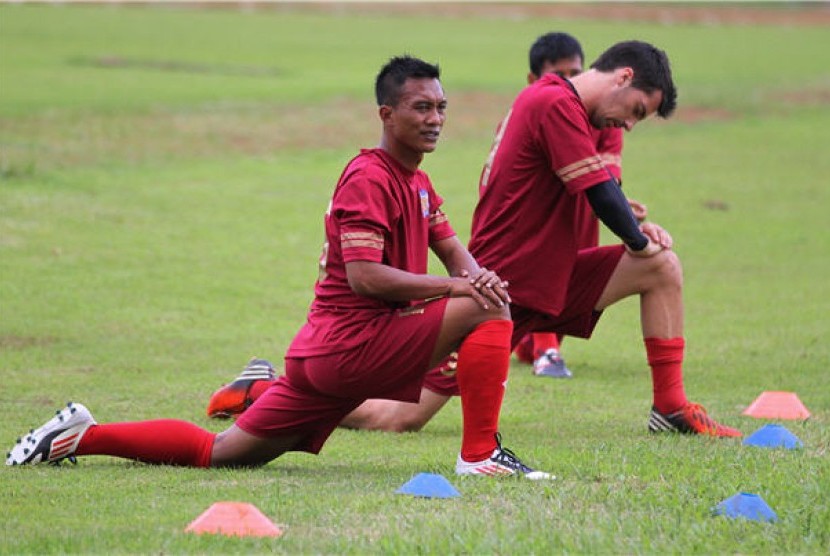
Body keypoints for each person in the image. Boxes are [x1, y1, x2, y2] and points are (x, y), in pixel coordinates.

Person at [6, 56, 551, 479]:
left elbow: (454, 249)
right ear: (387, 114)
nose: (435, 119)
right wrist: (466, 287)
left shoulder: (417, 180)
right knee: (487, 308)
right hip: (352, 345)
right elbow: (366, 277)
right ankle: (481, 454)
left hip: (326, 355)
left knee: (220, 455)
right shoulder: (368, 177)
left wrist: (475, 273)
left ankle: (82, 435)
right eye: (421, 108)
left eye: (441, 108)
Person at [208, 40, 742, 439]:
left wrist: (638, 227)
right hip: (495, 289)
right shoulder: (551, 102)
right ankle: (268, 388)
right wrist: (635, 235)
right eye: (637, 111)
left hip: (545, 278)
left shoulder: (564, 109)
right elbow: (600, 192)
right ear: (624, 77)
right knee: (402, 418)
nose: (630, 124)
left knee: (661, 267)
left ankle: (669, 408)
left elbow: (604, 188)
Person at [513, 31, 647, 379]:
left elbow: (604, 185)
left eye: (576, 71)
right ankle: (546, 350)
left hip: (582, 221)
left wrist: (620, 206)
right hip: (542, 229)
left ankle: (536, 344)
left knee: (552, 308)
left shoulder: (606, 117)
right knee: (543, 282)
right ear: (533, 80)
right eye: (560, 74)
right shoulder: (544, 108)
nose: (570, 81)